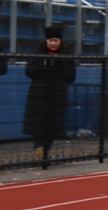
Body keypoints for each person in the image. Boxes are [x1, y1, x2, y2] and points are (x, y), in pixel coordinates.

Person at [23, 26, 76, 162]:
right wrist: (43, 64)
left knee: (53, 124)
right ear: (46, 41)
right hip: (38, 94)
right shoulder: (37, 53)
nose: (53, 43)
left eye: (56, 41)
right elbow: (29, 72)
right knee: (37, 122)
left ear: (60, 41)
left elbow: (71, 76)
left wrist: (58, 64)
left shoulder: (66, 55)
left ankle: (46, 151)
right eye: (51, 40)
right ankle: (39, 148)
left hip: (57, 95)